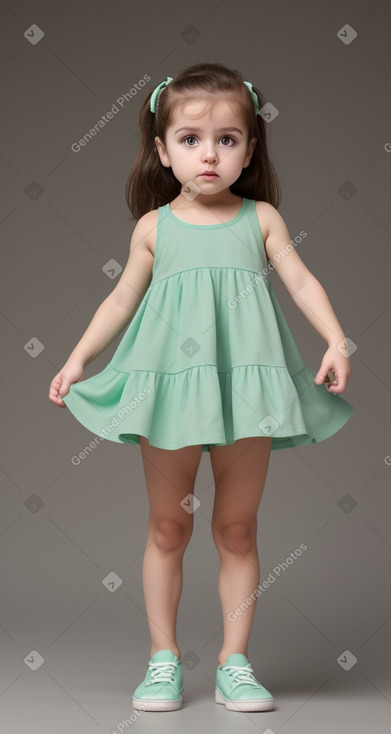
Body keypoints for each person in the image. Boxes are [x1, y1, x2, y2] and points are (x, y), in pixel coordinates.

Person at [49, 62, 354, 713]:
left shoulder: (261, 218)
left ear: (248, 149)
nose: (208, 154)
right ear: (161, 150)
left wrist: (333, 339)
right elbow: (120, 299)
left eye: (226, 138)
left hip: (245, 391)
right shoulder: (154, 228)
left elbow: (300, 282)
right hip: (169, 393)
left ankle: (233, 664)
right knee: (166, 528)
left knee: (237, 530)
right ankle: (162, 660)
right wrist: (77, 360)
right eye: (189, 139)